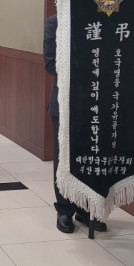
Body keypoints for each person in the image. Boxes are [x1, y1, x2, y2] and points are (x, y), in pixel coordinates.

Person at [43, 14, 107, 234]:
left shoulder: (101, 20)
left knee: (90, 155)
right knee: (64, 158)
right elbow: (50, 64)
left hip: (95, 102)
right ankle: (64, 209)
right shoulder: (56, 21)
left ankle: (85, 208)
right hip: (65, 102)